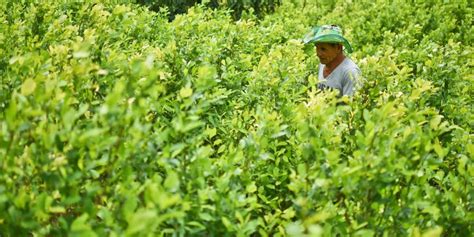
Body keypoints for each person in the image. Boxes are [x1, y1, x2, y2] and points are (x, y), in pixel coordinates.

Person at [303, 25, 362, 97]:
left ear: (338, 48)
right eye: (317, 48)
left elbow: (351, 106)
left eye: (323, 49)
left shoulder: (350, 72)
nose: (318, 54)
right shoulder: (323, 63)